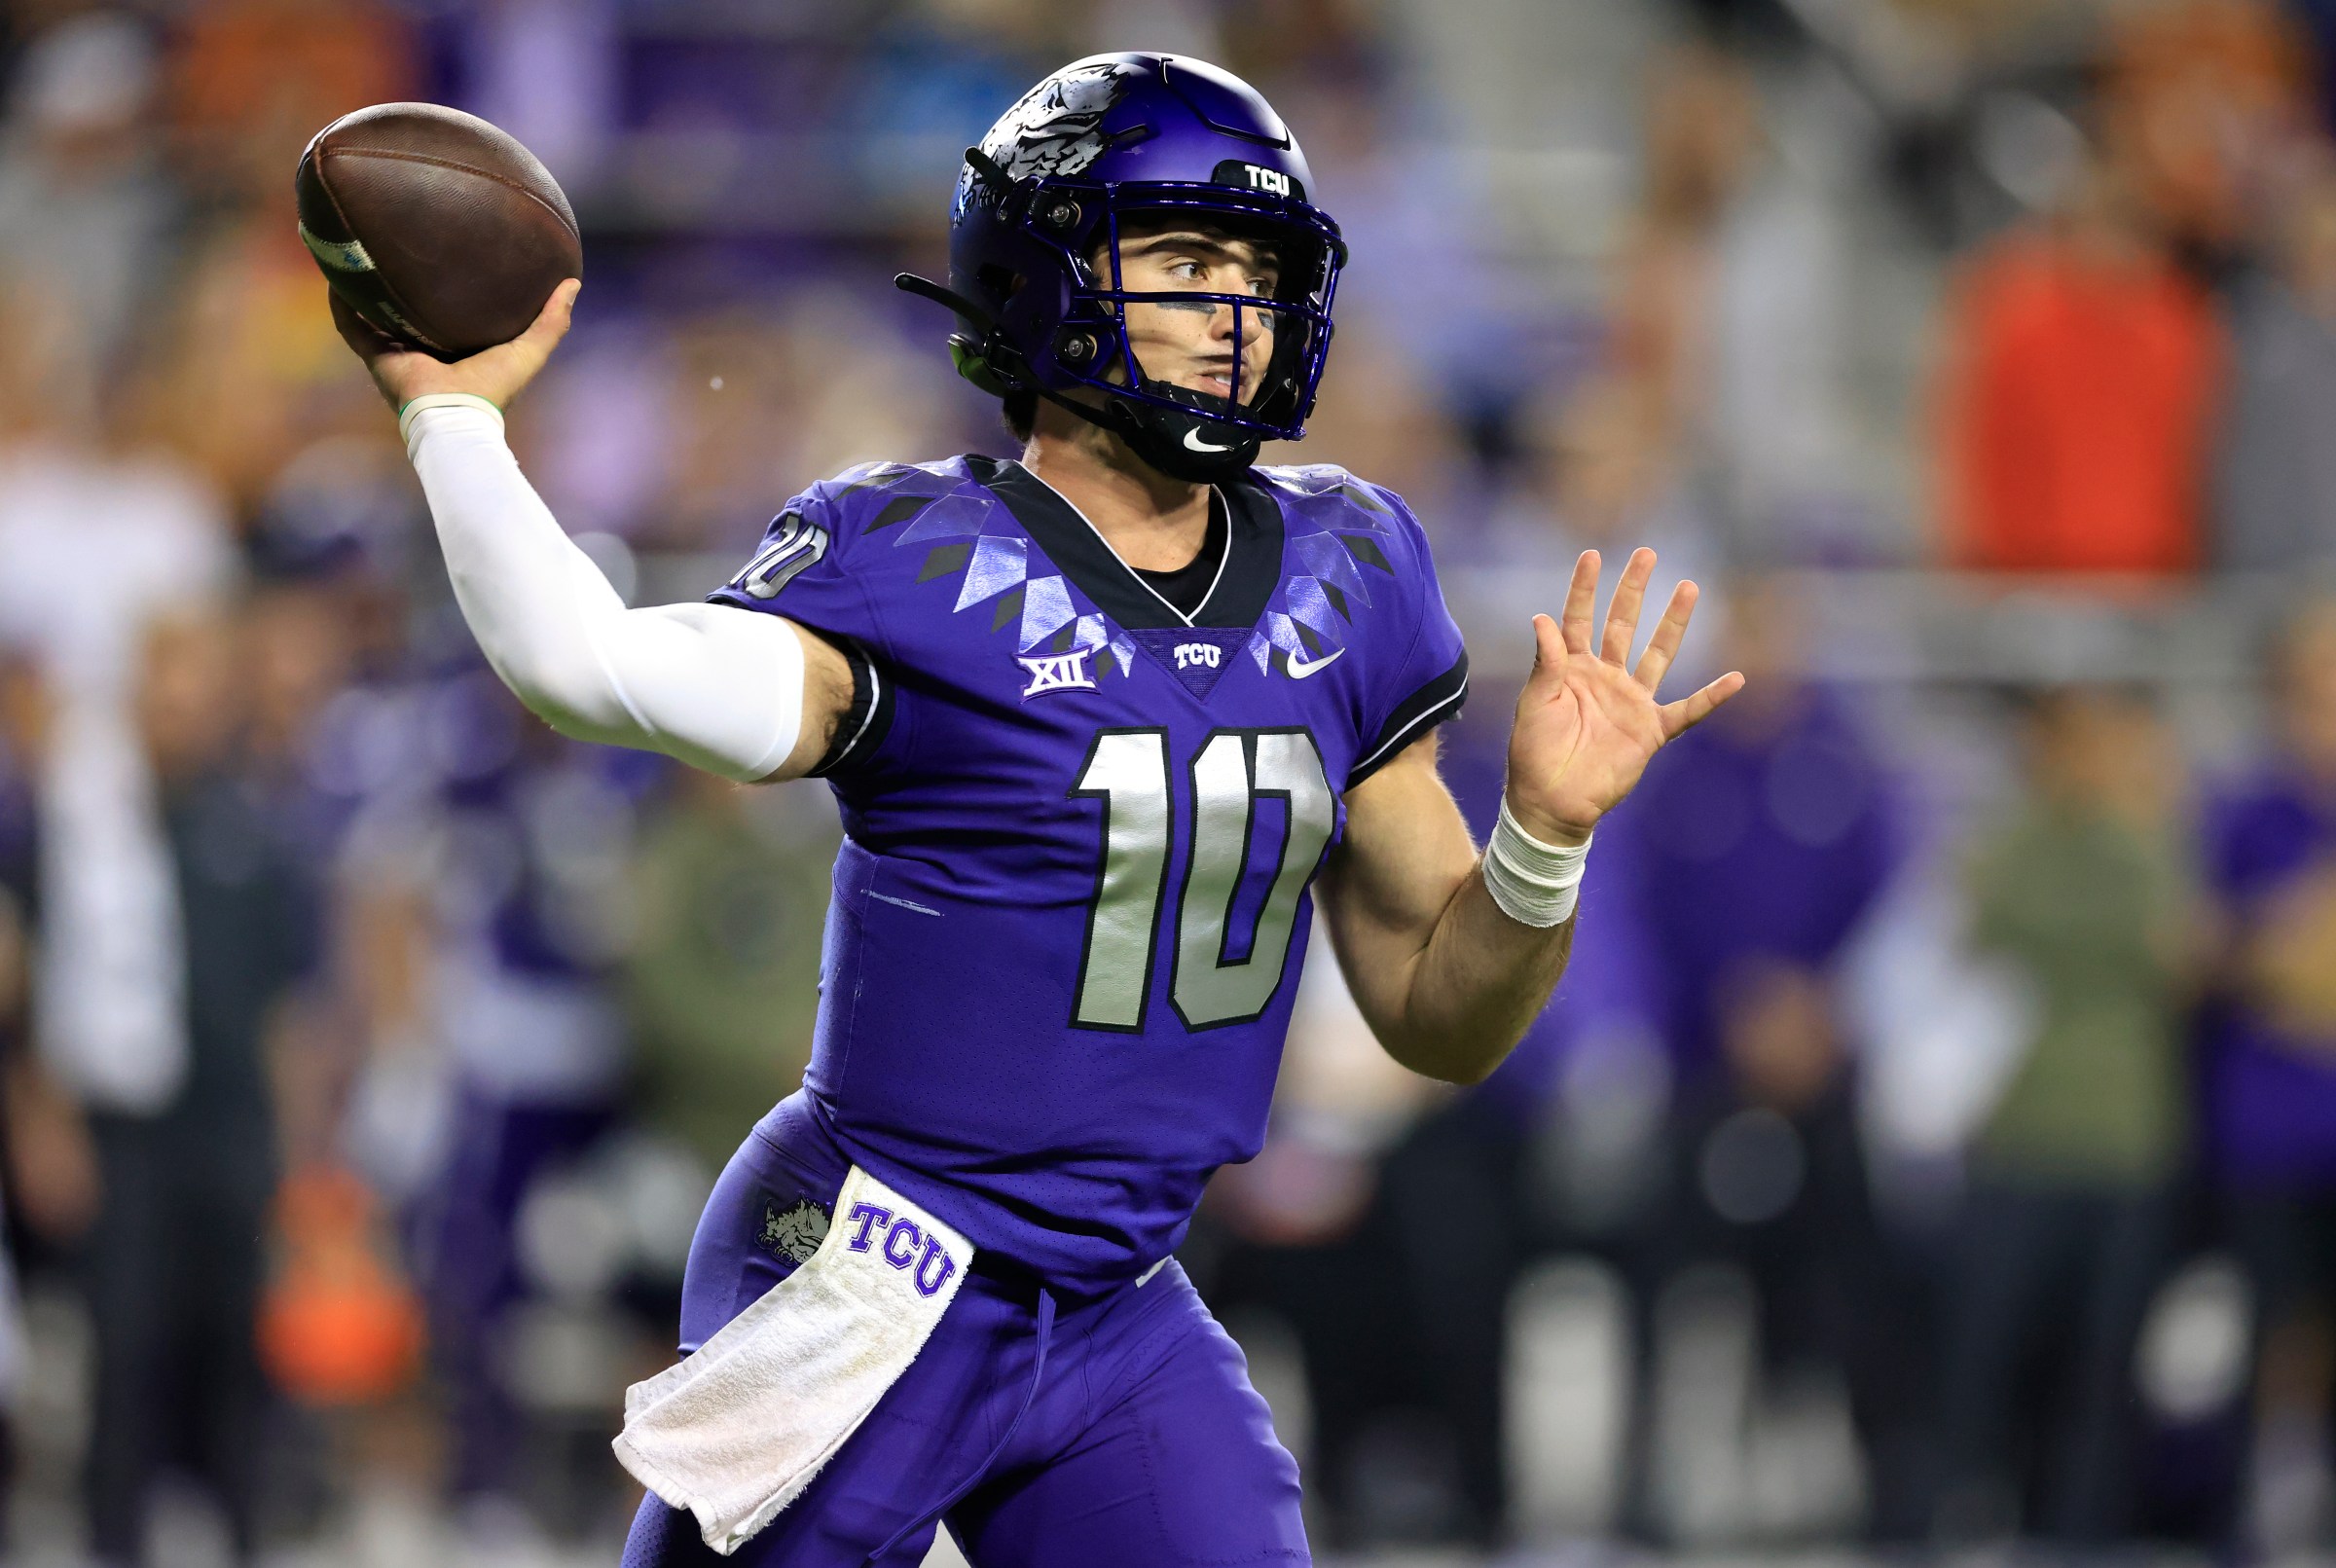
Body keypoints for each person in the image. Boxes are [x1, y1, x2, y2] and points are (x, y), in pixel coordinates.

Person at [332, 54, 1742, 1566]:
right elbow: (589, 667)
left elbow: (1438, 1017)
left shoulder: (1354, 568)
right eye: (1187, 261)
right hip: (873, 1272)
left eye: (1256, 270)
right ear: (1050, 272)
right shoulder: (920, 556)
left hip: (1120, 1300)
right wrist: (454, 426)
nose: (1234, 312)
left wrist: (1542, 837)